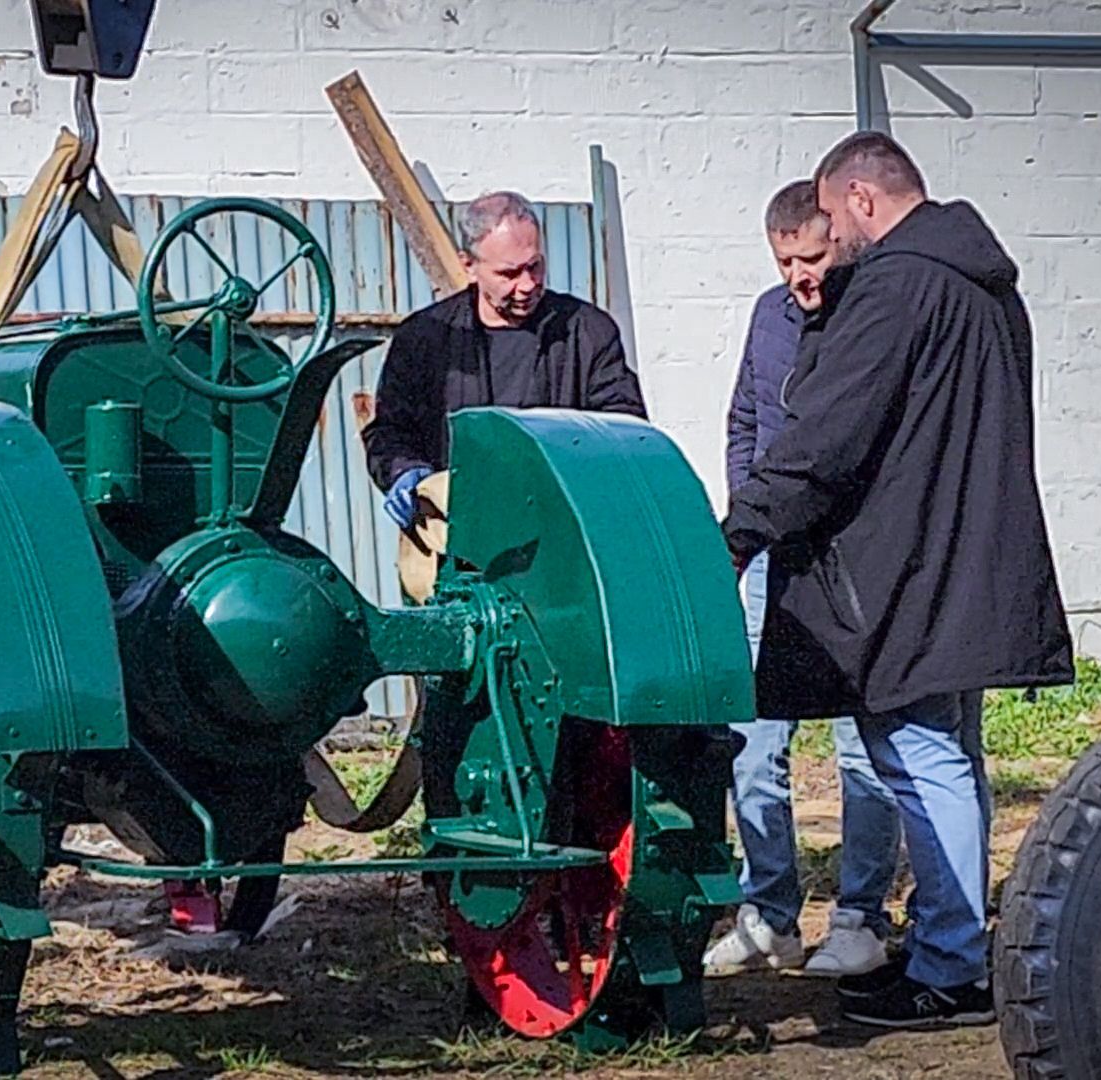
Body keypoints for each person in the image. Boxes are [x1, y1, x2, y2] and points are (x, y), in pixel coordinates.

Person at [722, 131, 1074, 1028]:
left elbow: (825, 434)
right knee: (948, 756)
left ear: (864, 201)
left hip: (902, 569)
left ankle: (952, 966)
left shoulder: (893, 287)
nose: (831, 244)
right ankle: (945, 944)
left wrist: (741, 531)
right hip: (969, 560)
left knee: (918, 761)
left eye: (833, 222)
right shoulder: (985, 286)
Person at [703, 180, 901, 980]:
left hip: (853, 556)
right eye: (785, 260)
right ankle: (770, 913)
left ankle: (859, 916)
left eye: (811, 257)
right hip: (772, 554)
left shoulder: (871, 315)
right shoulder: (769, 316)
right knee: (752, 738)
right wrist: (747, 523)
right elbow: (747, 419)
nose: (798, 275)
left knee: (862, 743)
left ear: (840, 243)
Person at [362, 190, 645, 525]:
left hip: (563, 530)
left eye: (535, 267)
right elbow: (391, 431)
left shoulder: (587, 331)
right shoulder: (424, 338)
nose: (527, 285)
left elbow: (623, 425)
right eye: (509, 274)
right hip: (459, 535)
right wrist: (405, 472)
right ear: (469, 266)